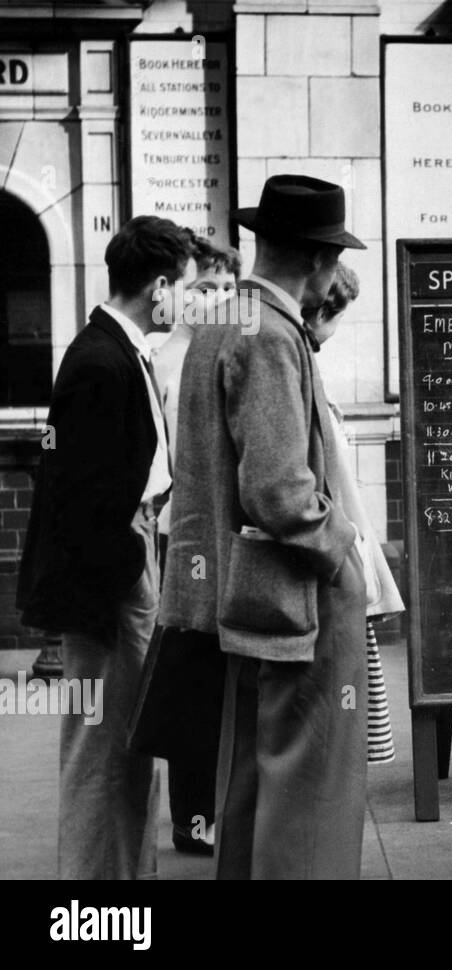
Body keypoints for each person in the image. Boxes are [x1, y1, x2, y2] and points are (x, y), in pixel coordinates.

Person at [158, 174, 369, 879]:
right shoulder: (274, 336)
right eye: (334, 256)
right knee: (310, 794)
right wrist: (343, 549)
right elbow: (279, 493)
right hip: (293, 597)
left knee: (250, 778)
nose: (334, 272)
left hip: (232, 595)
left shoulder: (219, 321)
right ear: (316, 259)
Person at [16, 215, 195, 878]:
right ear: (156, 286)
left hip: (127, 559)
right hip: (113, 576)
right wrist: (128, 573)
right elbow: (80, 499)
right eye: (186, 289)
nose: (190, 304)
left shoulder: (115, 351)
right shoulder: (99, 360)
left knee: (129, 744)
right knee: (101, 751)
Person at [152, 235, 241, 856]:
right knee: (190, 677)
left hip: (221, 534)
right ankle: (192, 815)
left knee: (220, 679)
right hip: (180, 534)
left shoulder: (230, 349)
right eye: (204, 288)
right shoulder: (161, 356)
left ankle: (213, 806)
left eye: (225, 290)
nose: (215, 300)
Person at [302, 263, 404, 766]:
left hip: (338, 545)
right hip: (331, 550)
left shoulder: (304, 364)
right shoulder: (298, 355)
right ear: (324, 310)